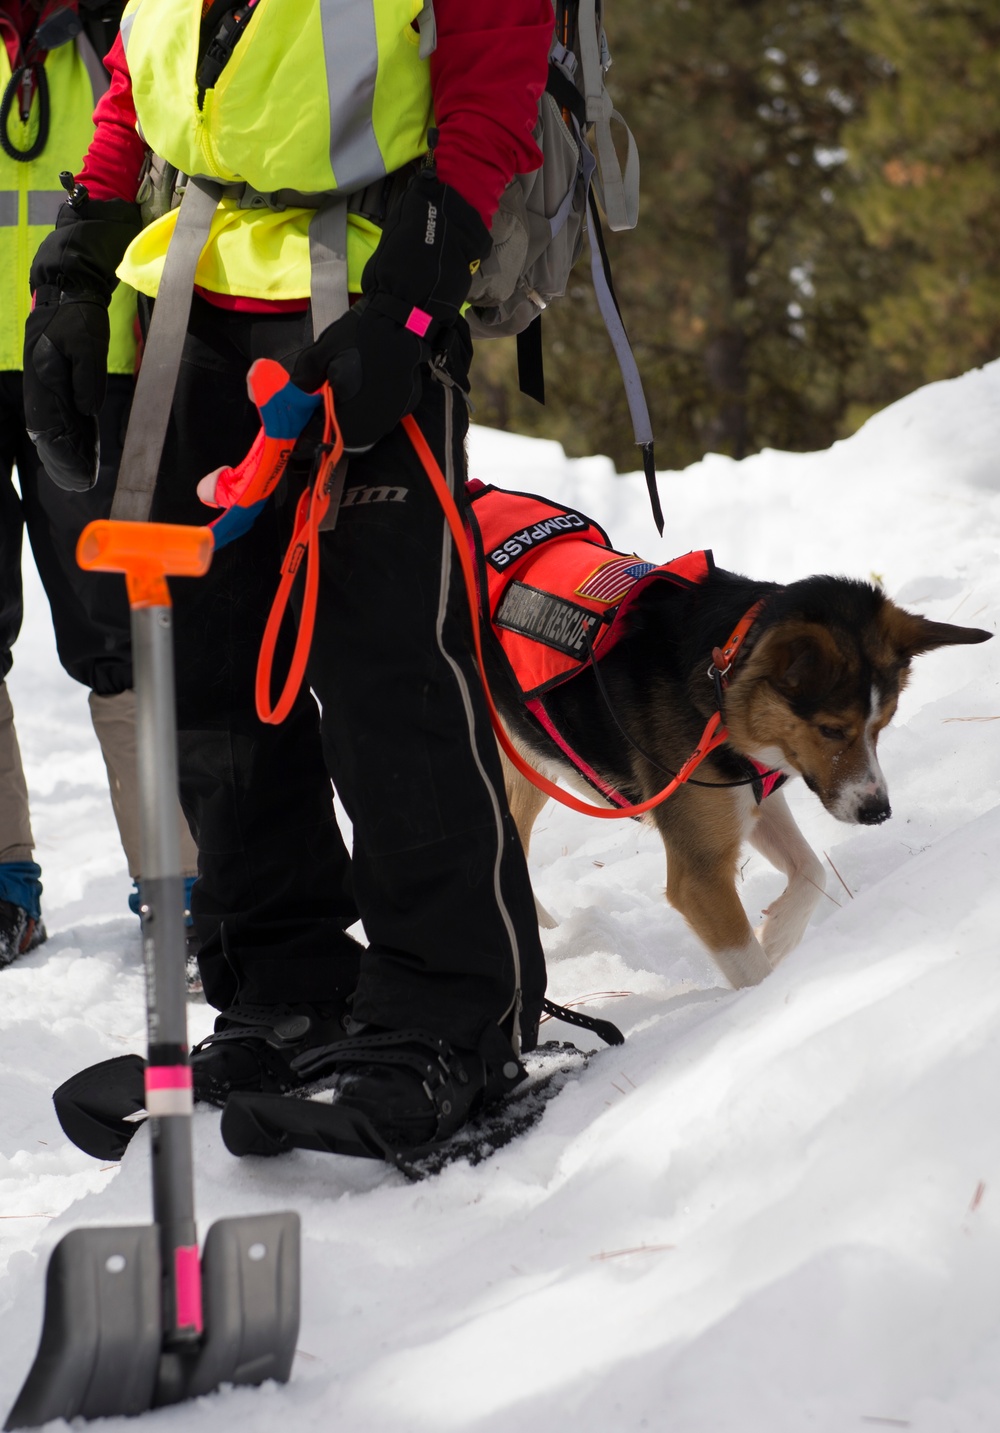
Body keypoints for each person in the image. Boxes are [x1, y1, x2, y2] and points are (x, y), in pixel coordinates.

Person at [25, 0, 553, 1155]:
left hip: (359, 305)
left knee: (384, 676)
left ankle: (455, 1006)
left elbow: (490, 92)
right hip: (188, 305)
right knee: (205, 678)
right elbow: (134, 79)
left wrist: (412, 301)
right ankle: (285, 980)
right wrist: (78, 257)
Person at [1, 0, 198, 968]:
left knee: (120, 626)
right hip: (78, 347)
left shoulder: (113, 18)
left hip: (87, 353)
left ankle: (176, 874)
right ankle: (2, 882)